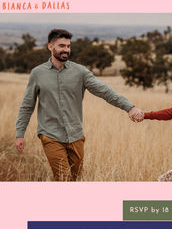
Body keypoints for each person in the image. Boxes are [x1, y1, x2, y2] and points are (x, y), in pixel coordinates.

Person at [16, 29, 143, 181]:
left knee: (76, 180)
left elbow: (105, 92)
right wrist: (20, 133)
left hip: (76, 135)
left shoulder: (80, 72)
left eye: (68, 46)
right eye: (62, 46)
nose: (66, 50)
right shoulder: (37, 73)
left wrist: (129, 107)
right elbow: (27, 105)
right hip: (50, 135)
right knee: (64, 178)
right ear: (50, 47)